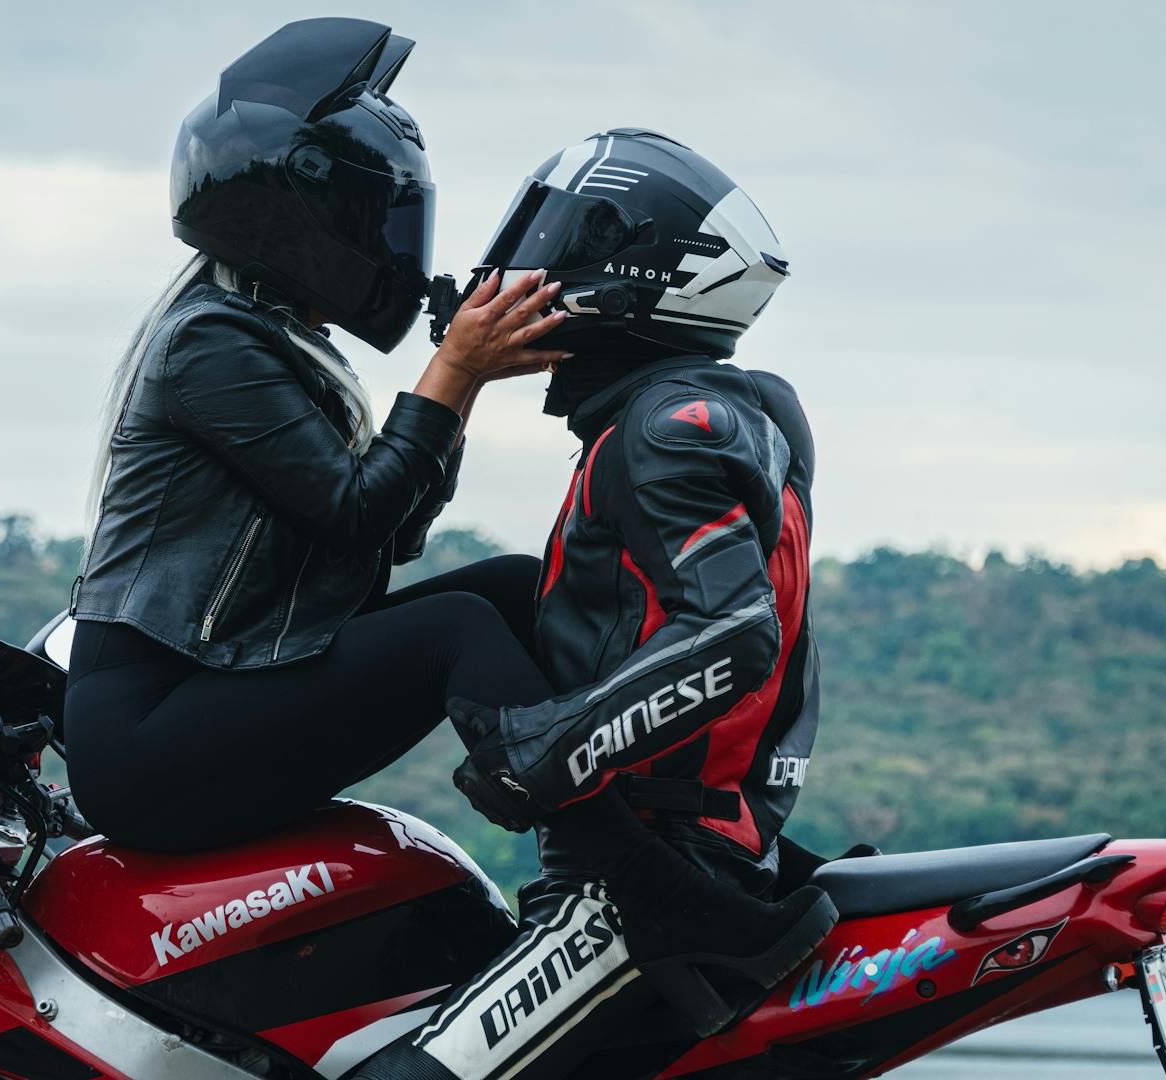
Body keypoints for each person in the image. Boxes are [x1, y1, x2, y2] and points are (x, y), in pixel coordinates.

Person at [352, 130, 837, 1080]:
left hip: (651, 870)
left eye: (557, 242)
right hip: (660, 846)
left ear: (632, 276)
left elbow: (734, 632)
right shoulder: (685, 410)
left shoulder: (669, 428)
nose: (526, 269)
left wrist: (547, 754)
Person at [61, 18, 570, 852]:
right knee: (458, 632)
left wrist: (461, 383)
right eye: (372, 217)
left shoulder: (276, 339)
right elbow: (357, 512)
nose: (391, 243)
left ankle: (686, 824)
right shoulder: (210, 344)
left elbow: (393, 536)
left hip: (236, 681)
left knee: (519, 588)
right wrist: (459, 370)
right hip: (150, 739)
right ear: (302, 214)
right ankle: (633, 870)